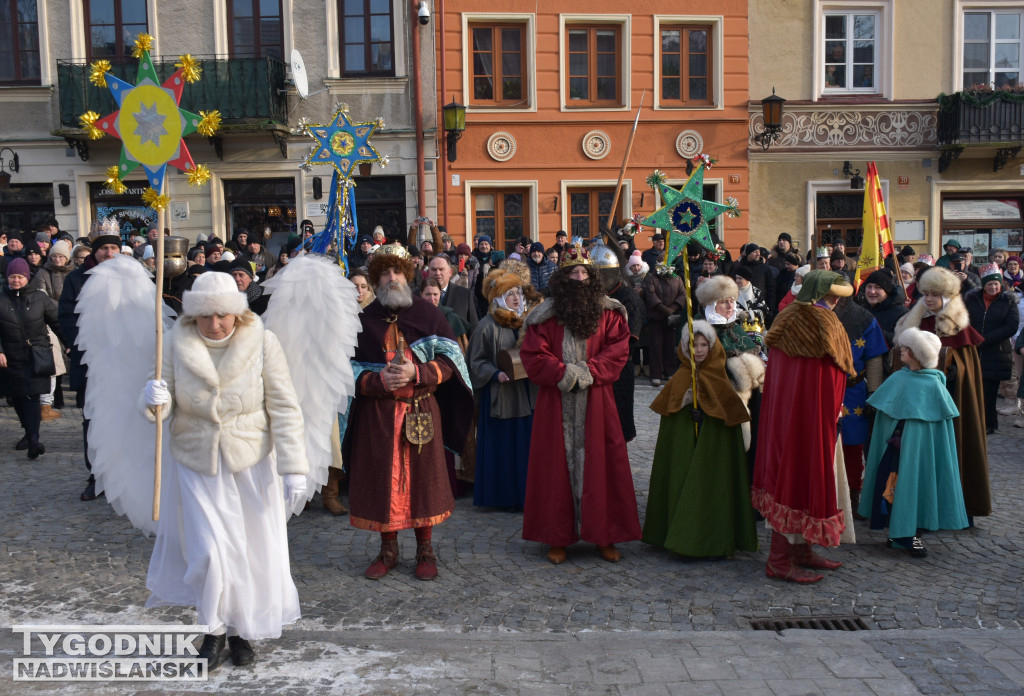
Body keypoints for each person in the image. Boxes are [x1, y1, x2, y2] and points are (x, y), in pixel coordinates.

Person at [141, 271, 308, 671]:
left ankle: (240, 632)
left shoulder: (263, 341)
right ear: (192, 315)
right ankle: (213, 630)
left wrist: (293, 467)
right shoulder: (174, 342)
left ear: (237, 312)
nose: (214, 324)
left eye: (222, 315)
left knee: (247, 551)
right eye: (205, 316)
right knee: (208, 553)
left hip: (250, 461)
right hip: (196, 461)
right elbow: (162, 404)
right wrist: (152, 398)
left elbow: (284, 406)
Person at [343, 244, 474, 581]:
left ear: (408, 275)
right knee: (383, 481)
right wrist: (377, 381)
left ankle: (425, 549)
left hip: (420, 411)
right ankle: (388, 550)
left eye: (397, 272)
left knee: (423, 482)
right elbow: (347, 371)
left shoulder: (428, 315)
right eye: (385, 273)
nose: (392, 278)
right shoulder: (363, 321)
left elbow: (452, 363)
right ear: (376, 279)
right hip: (378, 416)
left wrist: (418, 373)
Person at [519, 243, 641, 564]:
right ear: (563, 278)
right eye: (573, 273)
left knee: (603, 465)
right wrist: (563, 373)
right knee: (554, 467)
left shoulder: (610, 313)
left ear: (593, 276)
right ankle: (557, 536)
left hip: (597, 400)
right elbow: (533, 354)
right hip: (556, 402)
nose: (579, 278)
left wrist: (588, 372)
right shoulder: (545, 316)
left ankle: (604, 535)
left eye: (584, 272)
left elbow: (618, 350)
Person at [753, 270, 855, 584]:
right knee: (795, 479)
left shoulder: (786, 316)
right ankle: (779, 561)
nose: (836, 301)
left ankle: (801, 551)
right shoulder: (822, 322)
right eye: (832, 295)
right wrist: (829, 412)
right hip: (811, 417)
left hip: (790, 415)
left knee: (793, 476)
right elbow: (825, 376)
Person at [643, 320, 759, 558]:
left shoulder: (720, 378)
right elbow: (671, 422)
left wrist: (708, 417)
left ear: (712, 346)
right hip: (686, 451)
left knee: (713, 489)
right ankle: (680, 536)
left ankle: (716, 539)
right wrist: (686, 413)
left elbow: (728, 417)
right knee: (683, 484)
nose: (698, 350)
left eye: (704, 345)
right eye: (693, 345)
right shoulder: (680, 378)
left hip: (712, 455)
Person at [858, 328, 969, 556]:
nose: (901, 350)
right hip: (894, 449)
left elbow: (931, 430)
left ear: (917, 354)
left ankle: (912, 534)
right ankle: (897, 533)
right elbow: (888, 413)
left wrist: (909, 438)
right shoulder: (898, 378)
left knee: (917, 486)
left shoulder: (934, 385)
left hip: (919, 453)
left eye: (906, 348)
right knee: (891, 486)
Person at [894, 266, 990, 520]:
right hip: (918, 402)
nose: (929, 299)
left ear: (946, 296)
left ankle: (956, 507)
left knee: (953, 449)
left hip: (950, 402)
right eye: (926, 293)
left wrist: (953, 370)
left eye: (935, 294)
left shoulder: (958, 327)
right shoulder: (914, 322)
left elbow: (966, 370)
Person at [58, 220, 123, 501]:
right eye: (104, 248)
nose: (109, 253)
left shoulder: (129, 276)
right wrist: (86, 345)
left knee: (124, 417)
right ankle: (96, 474)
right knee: (93, 419)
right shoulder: (76, 279)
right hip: (90, 362)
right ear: (95, 250)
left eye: (114, 248)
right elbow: (66, 317)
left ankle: (125, 473)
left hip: (123, 362)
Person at [466, 269, 536, 510]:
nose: (516, 298)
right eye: (509, 294)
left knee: (525, 447)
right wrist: (495, 374)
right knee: (503, 448)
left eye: (518, 292)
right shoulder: (486, 326)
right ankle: (502, 497)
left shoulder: (527, 322)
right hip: (501, 397)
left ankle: (527, 496)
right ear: (498, 298)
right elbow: (475, 361)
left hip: (527, 394)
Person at [0, 257, 66, 458]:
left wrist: (71, 344)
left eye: (20, 276)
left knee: (31, 396)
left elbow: (57, 322)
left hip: (35, 356)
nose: (16, 280)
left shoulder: (40, 298)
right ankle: (29, 433)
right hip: (10, 358)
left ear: (27, 278)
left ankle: (34, 439)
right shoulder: (1, 298)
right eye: (12, 276)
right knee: (17, 397)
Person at [833, 296, 888, 517]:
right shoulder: (816, 314)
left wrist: (873, 393)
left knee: (852, 444)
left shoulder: (864, 319)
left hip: (852, 391)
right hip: (823, 389)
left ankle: (852, 496)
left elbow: (874, 358)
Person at [964, 264, 1019, 432]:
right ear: (984, 284)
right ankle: (974, 423)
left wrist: (984, 340)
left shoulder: (1008, 301)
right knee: (973, 391)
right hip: (973, 350)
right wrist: (972, 338)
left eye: (996, 283)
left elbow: (1011, 327)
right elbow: (964, 319)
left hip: (996, 353)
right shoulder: (972, 299)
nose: (993, 287)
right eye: (990, 284)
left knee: (989, 392)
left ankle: (989, 423)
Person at [642, 265, 687, 386]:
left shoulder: (677, 278)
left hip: (671, 318)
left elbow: (682, 294)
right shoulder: (652, 278)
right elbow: (651, 295)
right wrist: (664, 309)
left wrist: (673, 308)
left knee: (669, 345)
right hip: (656, 318)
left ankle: (669, 372)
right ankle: (655, 374)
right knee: (656, 346)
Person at [855, 269, 908, 362]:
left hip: (888, 364)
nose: (872, 291)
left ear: (887, 290)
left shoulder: (902, 312)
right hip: (861, 363)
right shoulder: (860, 310)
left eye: (878, 287)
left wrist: (876, 332)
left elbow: (903, 340)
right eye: (869, 287)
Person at [426, 253, 478, 332]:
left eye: (441, 269)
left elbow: (474, 327)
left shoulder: (464, 295)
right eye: (434, 269)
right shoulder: (417, 296)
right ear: (428, 272)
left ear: (450, 272)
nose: (437, 273)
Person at [421, 278, 471, 353]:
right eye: (428, 294)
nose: (432, 298)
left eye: (435, 294)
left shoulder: (452, 319)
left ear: (440, 294)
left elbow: (462, 352)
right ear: (421, 294)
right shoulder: (414, 318)